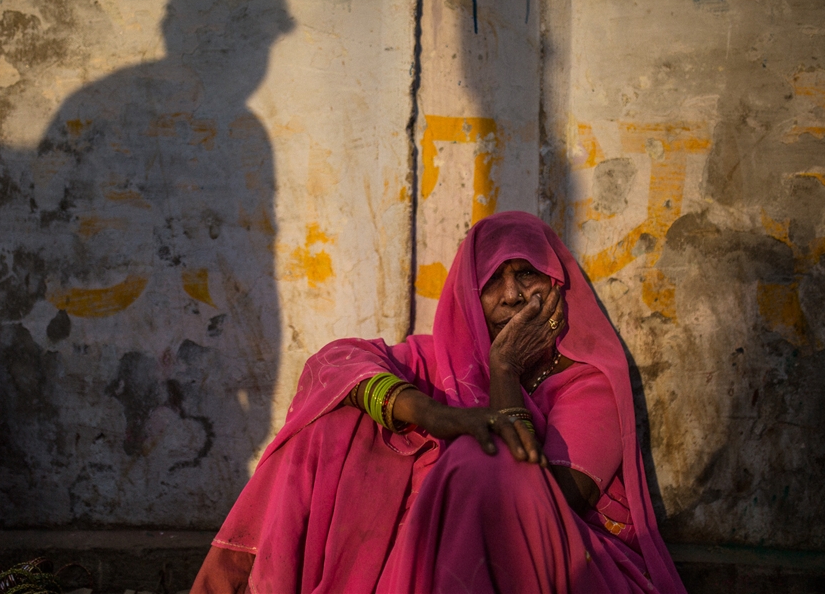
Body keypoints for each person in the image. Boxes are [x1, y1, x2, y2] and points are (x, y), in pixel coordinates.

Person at [191, 211, 686, 593]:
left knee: (478, 464)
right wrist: (435, 415)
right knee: (338, 426)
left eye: (528, 275)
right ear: (471, 294)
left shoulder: (588, 383)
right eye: (493, 279)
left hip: (555, 561)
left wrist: (505, 369)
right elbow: (335, 362)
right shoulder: (442, 360)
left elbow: (534, 497)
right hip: (427, 554)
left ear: (557, 287)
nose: (512, 295)